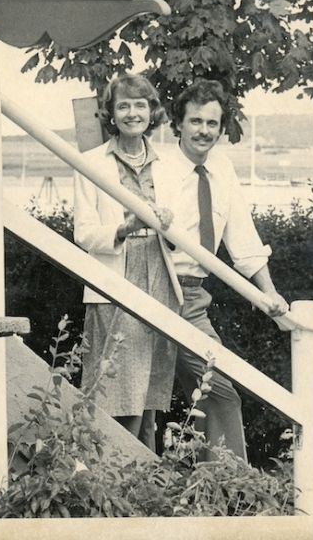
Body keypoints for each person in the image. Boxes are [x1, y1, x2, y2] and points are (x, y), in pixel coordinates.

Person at [161, 79, 289, 461]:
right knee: (138, 395)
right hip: (153, 286)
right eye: (195, 121)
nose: (203, 131)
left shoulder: (222, 168)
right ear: (178, 124)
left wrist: (270, 294)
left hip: (193, 297)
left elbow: (243, 239)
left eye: (212, 123)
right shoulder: (158, 165)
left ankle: (224, 490)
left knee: (217, 390)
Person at [73, 73, 181, 450]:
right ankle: (112, 464)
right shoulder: (90, 163)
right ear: (111, 114)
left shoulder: (170, 163)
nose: (133, 113)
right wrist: (123, 228)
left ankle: (144, 470)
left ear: (152, 111)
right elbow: (84, 232)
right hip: (116, 278)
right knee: (117, 387)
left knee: (150, 390)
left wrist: (169, 226)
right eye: (123, 106)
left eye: (140, 105)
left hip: (160, 275)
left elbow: (186, 229)